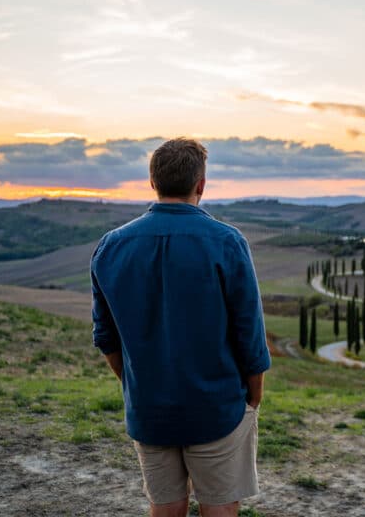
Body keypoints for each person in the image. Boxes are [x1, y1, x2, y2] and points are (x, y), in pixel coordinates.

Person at [91, 137, 271, 517]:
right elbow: (249, 334)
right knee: (220, 507)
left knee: (165, 506)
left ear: (152, 182)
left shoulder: (110, 246)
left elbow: (105, 338)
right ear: (200, 185)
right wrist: (253, 397)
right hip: (217, 408)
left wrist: (135, 384)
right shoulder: (227, 242)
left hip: (149, 408)